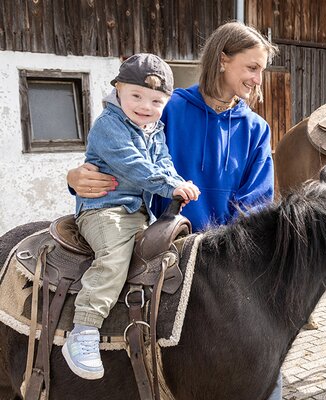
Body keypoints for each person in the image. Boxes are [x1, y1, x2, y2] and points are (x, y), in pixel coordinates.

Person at [66, 22, 284, 398]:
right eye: (251, 67)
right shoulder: (170, 106)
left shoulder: (257, 129)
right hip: (167, 247)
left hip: (228, 261)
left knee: (264, 360)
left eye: (261, 69)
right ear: (222, 60)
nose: (258, 78)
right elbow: (120, 152)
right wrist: (74, 178)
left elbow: (257, 205)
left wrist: (222, 253)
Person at [62, 53, 201, 380]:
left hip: (135, 212)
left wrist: (178, 181)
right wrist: (171, 187)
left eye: (156, 100)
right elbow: (135, 168)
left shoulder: (154, 129)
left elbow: (163, 162)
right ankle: (83, 329)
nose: (145, 105)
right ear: (118, 90)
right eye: (136, 95)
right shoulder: (109, 126)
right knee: (113, 258)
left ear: (166, 102)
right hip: (103, 209)